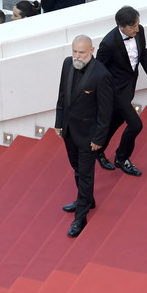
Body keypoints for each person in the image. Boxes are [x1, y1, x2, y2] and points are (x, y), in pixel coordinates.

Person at [95, 5, 147, 177]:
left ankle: (98, 149)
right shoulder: (108, 43)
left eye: (137, 24)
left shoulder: (139, 31)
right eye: (133, 26)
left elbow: (144, 57)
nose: (137, 28)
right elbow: (98, 70)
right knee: (136, 125)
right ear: (121, 26)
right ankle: (122, 158)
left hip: (129, 87)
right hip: (115, 91)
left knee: (116, 121)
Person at [54, 35, 112, 238]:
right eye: (74, 51)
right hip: (69, 131)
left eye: (82, 52)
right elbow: (62, 94)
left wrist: (99, 139)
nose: (77, 56)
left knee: (86, 174)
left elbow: (105, 112)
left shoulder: (101, 74)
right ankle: (87, 200)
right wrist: (59, 123)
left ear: (92, 50)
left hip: (89, 136)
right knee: (76, 168)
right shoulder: (67, 64)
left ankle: (81, 217)